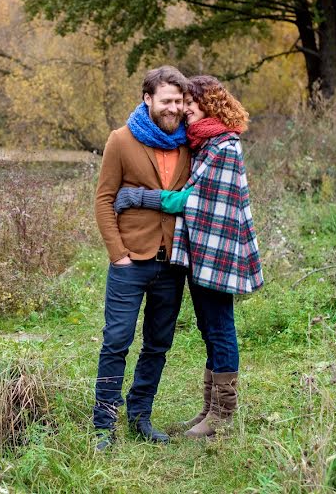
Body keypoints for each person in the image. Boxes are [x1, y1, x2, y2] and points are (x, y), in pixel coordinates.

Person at [114, 75, 263, 439]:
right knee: (209, 330)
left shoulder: (224, 146)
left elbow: (193, 201)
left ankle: (223, 418)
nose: (183, 110)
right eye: (180, 103)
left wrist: (138, 197)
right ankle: (209, 411)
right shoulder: (202, 143)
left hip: (218, 251)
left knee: (220, 328)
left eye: (189, 103)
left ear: (206, 104)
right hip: (200, 250)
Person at [92, 65, 193, 450]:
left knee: (158, 344)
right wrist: (117, 254)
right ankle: (104, 425)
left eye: (179, 101)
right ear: (148, 99)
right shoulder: (121, 140)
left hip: (172, 263)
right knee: (116, 341)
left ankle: (140, 416)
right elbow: (104, 199)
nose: (173, 108)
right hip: (130, 261)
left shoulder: (189, 141)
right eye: (166, 100)